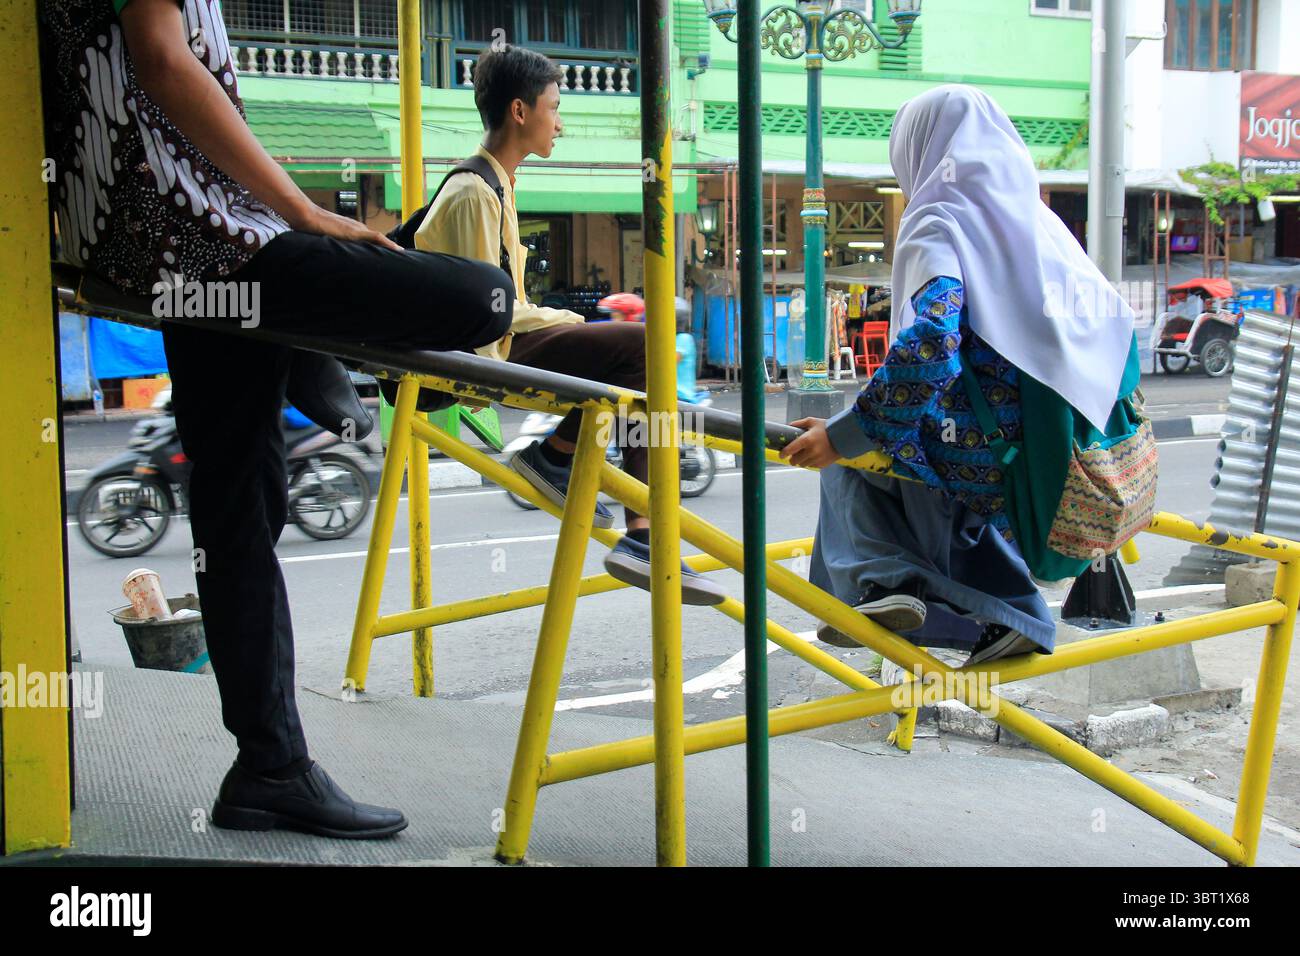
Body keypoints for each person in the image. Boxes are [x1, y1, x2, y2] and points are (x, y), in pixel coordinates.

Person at [39, 0, 515, 837]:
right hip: (206, 244)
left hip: (173, 255)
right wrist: (302, 210)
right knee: (486, 296)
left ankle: (269, 767)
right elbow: (159, 56)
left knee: (238, 505)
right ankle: (306, 347)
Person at [781, 85, 1139, 667]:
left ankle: (885, 588)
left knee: (853, 454)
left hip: (997, 461)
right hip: (1078, 463)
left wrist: (843, 436)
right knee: (890, 444)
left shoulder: (936, 221)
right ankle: (1001, 611)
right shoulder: (1040, 227)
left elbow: (931, 345)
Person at [412, 44, 725, 607]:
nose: (560, 123)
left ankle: (561, 461)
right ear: (519, 112)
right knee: (643, 349)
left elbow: (500, 297)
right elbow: (485, 311)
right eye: (553, 108)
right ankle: (638, 530)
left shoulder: (498, 184)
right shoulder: (473, 191)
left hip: (505, 338)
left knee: (632, 368)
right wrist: (557, 326)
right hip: (491, 354)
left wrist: (568, 319)